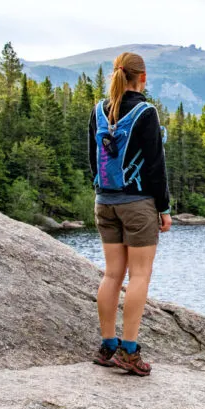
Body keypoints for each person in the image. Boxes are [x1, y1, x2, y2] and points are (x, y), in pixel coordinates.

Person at [87, 52, 171, 376]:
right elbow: (155, 166)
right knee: (139, 276)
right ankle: (129, 352)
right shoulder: (146, 112)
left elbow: (92, 159)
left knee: (112, 275)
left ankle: (108, 346)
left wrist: (103, 193)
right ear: (143, 77)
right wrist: (163, 208)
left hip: (104, 201)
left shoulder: (99, 109)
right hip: (137, 204)